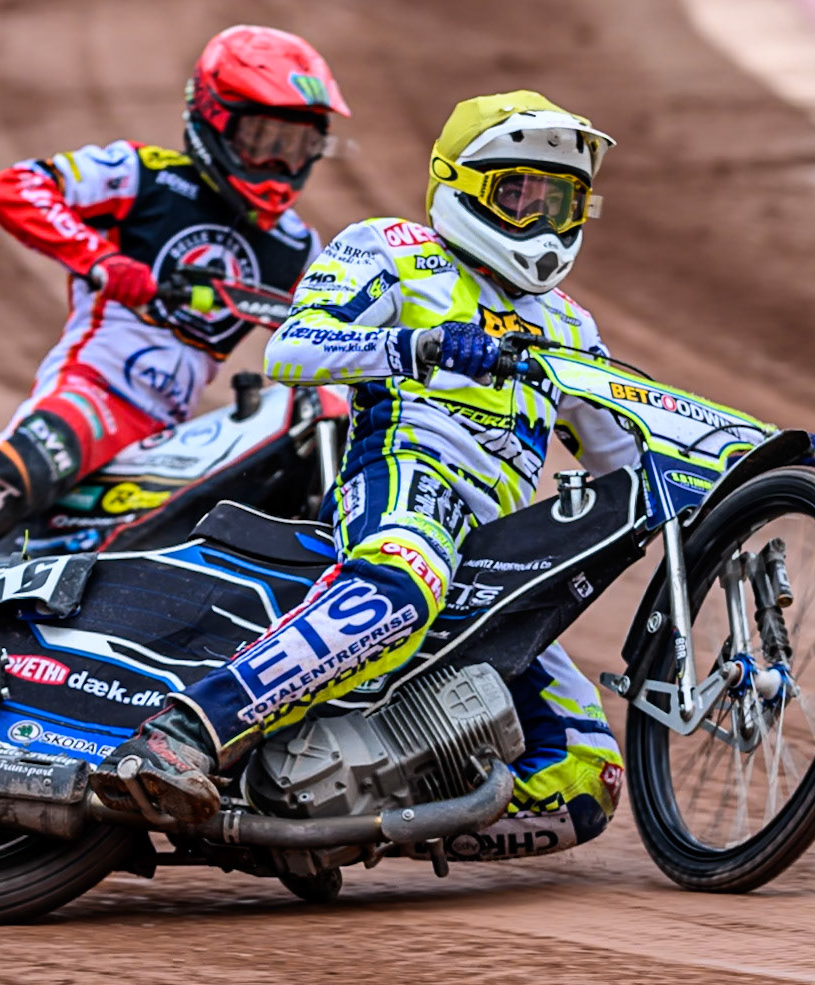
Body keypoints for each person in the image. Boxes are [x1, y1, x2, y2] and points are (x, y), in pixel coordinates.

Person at [91, 91, 636, 861]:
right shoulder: (391, 247)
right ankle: (180, 733)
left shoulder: (571, 326)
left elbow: (622, 453)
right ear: (463, 183)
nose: (540, 218)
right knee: (402, 586)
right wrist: (421, 347)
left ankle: (344, 823)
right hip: (407, 479)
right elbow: (293, 347)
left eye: (560, 200)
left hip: (501, 551)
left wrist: (737, 473)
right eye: (518, 192)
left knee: (587, 781)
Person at [0, 25, 348, 653]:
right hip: (97, 383)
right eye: (262, 139)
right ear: (215, 120)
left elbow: (337, 329)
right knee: (43, 455)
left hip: (172, 423)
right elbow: (14, 188)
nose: (279, 163)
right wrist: (109, 265)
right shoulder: (143, 174)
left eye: (297, 144)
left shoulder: (298, 246)